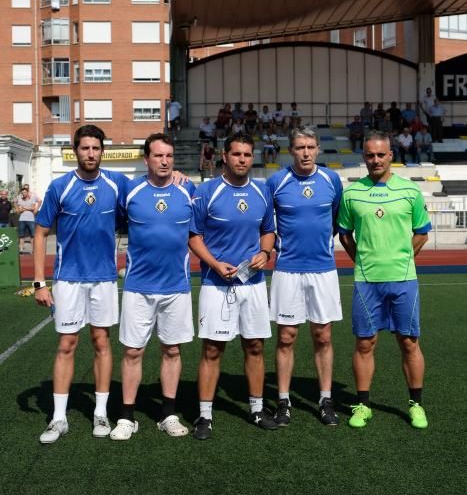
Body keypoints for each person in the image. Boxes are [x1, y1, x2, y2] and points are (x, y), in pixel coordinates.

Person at [34, 125, 126, 444]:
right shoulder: (60, 186)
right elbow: (40, 231)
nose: (91, 153)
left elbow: (152, 187)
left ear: (103, 151)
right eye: (85, 148)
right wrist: (38, 282)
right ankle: (58, 419)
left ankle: (100, 412)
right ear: (75, 150)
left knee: (101, 342)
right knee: (66, 344)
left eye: (96, 148)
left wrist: (178, 178)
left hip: (103, 278)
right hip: (68, 279)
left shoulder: (117, 183)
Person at [338, 131, 431, 430]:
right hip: (367, 281)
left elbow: (422, 232)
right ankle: (363, 405)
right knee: (365, 343)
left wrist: (404, 259)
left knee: (408, 342)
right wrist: (362, 261)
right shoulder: (351, 194)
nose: (375, 160)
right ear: (363, 157)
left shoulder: (410, 191)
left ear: (391, 155)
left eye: (381, 154)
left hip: (404, 280)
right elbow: (344, 234)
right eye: (369, 155)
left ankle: (416, 404)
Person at [189, 132, 277, 440]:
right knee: (213, 349)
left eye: (247, 155)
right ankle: (204, 416)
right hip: (216, 283)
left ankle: (256, 408)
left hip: (252, 284)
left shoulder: (262, 191)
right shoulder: (207, 191)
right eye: (236, 154)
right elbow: (193, 236)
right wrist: (213, 263)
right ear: (225, 156)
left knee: (254, 345)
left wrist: (264, 252)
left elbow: (268, 231)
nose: (242, 159)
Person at [111, 134, 196, 441]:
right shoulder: (129, 190)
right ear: (146, 159)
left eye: (169, 156)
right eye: (158, 156)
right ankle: (126, 417)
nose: (164, 161)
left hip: (176, 286)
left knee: (172, 350)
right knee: (133, 351)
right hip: (138, 286)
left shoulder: (187, 190)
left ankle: (168, 414)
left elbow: (197, 233)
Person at [267, 127, 343, 427]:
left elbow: (336, 218)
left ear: (318, 149)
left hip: (323, 269)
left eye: (311, 147)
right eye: (300, 147)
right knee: (287, 336)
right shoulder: (277, 181)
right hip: (287, 269)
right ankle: (283, 402)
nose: (306, 152)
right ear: (291, 151)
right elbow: (266, 223)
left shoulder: (331, 180)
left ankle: (325, 399)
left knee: (323, 335)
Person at [15, 186, 40, 253]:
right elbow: (19, 209)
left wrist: (24, 208)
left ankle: (33, 250)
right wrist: (19, 209)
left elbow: (33, 208)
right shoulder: (20, 199)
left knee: (32, 235)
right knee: (21, 235)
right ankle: (21, 249)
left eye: (25, 192)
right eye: (22, 192)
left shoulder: (32, 199)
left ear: (27, 192)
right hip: (22, 220)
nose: (24, 193)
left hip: (31, 219)